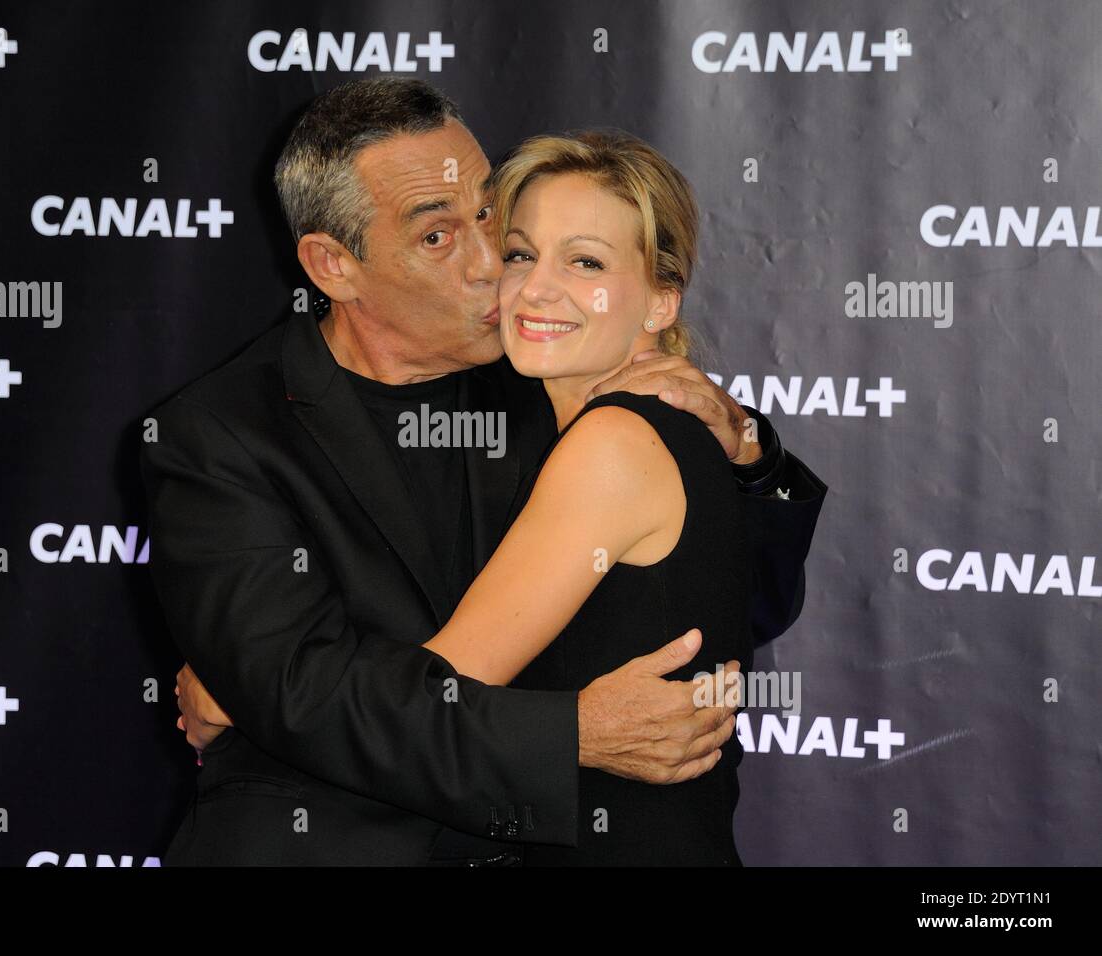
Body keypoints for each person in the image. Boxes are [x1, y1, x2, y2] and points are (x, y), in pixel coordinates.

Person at [145, 77, 826, 866]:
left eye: (489, 220)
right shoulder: (219, 437)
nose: (489, 270)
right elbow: (309, 701)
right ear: (333, 265)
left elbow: (738, 604)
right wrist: (570, 733)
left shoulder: (552, 371)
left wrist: (749, 451)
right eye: (437, 237)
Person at [416, 130, 754, 864]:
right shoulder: (614, 430)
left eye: (586, 262)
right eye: (520, 253)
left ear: (661, 301)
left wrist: (257, 705)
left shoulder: (614, 446)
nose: (535, 288)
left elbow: (437, 699)